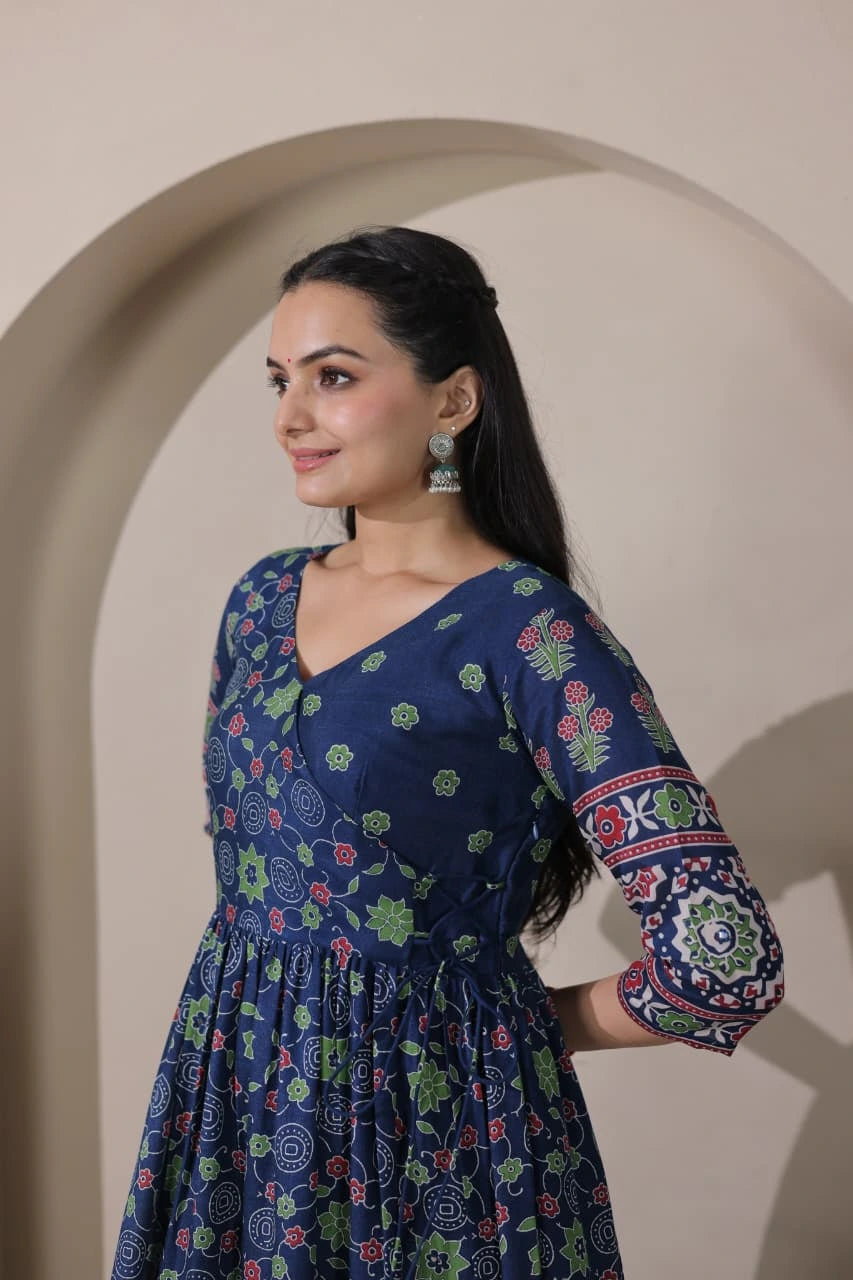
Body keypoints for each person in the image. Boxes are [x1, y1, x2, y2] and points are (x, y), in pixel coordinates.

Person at [110, 224, 785, 1280]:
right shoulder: (261, 600)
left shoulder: (529, 632)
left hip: (434, 1146)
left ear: (453, 400)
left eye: (334, 377)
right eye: (280, 378)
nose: (291, 415)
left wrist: (530, 1023)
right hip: (236, 1116)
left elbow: (721, 961)